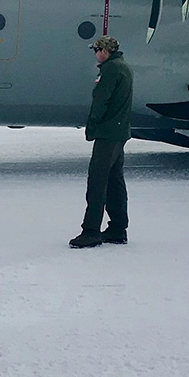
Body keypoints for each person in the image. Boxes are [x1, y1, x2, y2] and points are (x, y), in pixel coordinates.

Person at [71, 35, 132, 249]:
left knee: (97, 182)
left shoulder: (111, 70)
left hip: (107, 133)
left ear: (104, 51)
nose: (95, 55)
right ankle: (117, 228)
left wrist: (94, 123)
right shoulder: (123, 67)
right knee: (115, 181)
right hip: (118, 132)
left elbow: (100, 100)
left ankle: (91, 231)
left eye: (96, 50)